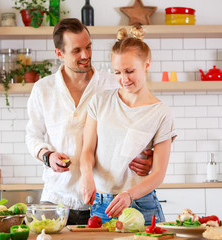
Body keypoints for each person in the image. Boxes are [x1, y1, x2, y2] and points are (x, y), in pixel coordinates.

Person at [25, 18, 154, 225]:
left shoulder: (113, 83)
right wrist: (47, 156)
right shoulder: (43, 89)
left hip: (103, 199)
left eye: (88, 47)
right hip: (57, 196)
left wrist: (148, 156)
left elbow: (137, 122)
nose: (86, 55)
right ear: (59, 53)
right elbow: (32, 135)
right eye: (77, 50)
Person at [79, 25, 177, 225]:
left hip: (141, 203)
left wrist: (129, 195)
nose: (123, 79)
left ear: (147, 64)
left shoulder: (160, 112)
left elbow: (158, 174)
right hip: (101, 204)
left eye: (130, 71)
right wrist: (86, 175)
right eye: (117, 72)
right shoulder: (100, 101)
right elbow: (87, 150)